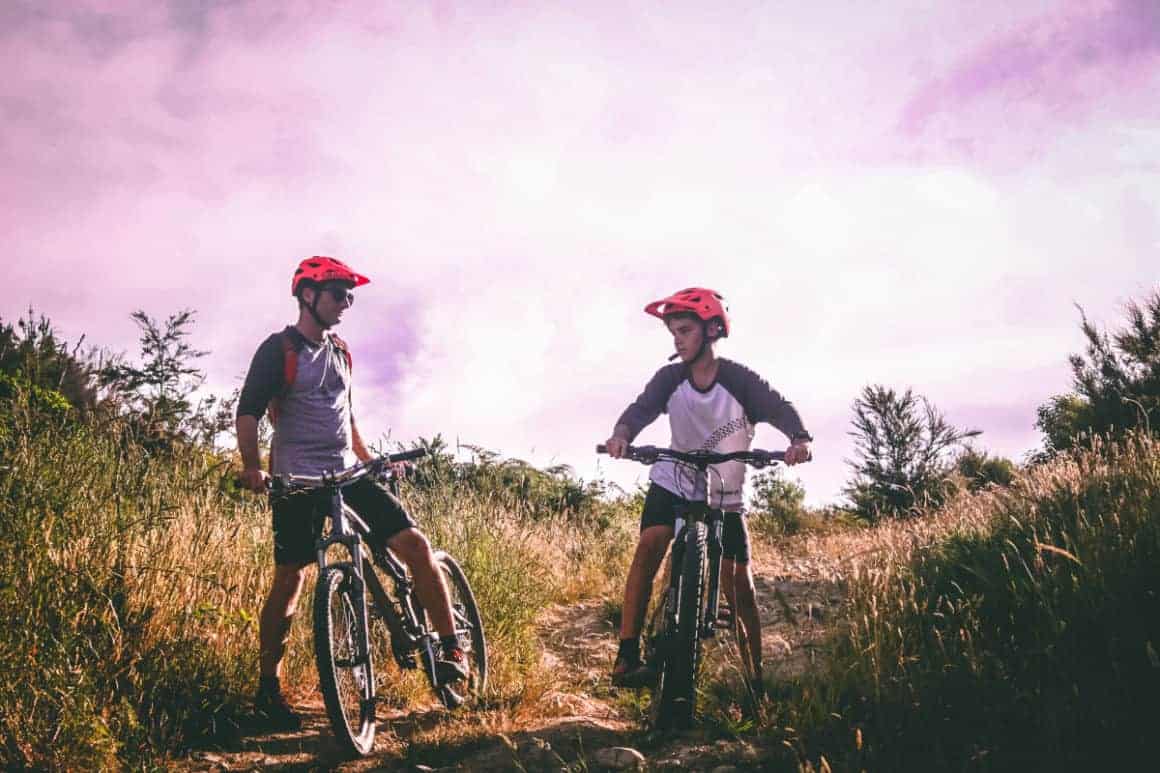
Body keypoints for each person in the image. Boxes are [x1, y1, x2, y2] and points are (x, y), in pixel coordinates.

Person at [235, 256, 467, 730]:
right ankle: (268, 689)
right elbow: (248, 413)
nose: (346, 303)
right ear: (308, 296)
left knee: (416, 548)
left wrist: (366, 459)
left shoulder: (341, 350)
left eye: (349, 295)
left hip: (349, 473)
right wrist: (253, 468)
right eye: (338, 293)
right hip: (297, 479)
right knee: (290, 579)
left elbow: (345, 413)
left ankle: (450, 649)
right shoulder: (277, 350)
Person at [603, 287, 812, 699]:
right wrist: (621, 436)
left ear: (712, 329)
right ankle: (627, 654)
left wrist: (799, 439)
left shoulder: (738, 379)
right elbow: (640, 410)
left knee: (740, 585)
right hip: (675, 476)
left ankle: (755, 682)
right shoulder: (669, 379)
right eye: (673, 333)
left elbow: (780, 407)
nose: (677, 340)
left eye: (684, 330)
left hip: (723, 489)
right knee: (650, 544)